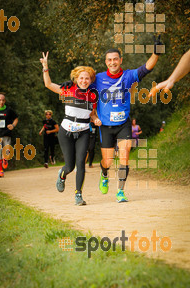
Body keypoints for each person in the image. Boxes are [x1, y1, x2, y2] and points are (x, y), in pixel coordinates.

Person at [61, 37, 162, 203]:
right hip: (106, 127)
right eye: (109, 60)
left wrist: (156, 54)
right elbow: (82, 83)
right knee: (107, 161)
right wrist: (69, 85)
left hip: (123, 124)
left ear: (120, 60)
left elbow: (146, 69)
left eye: (116, 59)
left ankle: (120, 191)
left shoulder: (128, 76)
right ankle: (104, 173)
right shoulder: (98, 79)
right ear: (106, 62)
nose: (113, 62)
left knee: (124, 157)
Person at [40, 51, 101, 205]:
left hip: (83, 132)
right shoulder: (68, 89)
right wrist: (45, 67)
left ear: (91, 80)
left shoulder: (93, 95)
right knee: (69, 166)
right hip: (65, 131)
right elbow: (48, 84)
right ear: (76, 78)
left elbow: (92, 114)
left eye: (87, 78)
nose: (84, 80)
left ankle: (78, 194)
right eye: (81, 78)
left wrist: (96, 119)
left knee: (80, 163)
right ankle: (62, 174)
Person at [0, 92, 18, 177]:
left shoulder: (9, 110)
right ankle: (1, 171)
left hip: (6, 134)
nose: (1, 102)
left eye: (3, 100)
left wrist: (13, 125)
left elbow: (16, 118)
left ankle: (5, 159)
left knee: (6, 151)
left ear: (5, 101)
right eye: (0, 100)